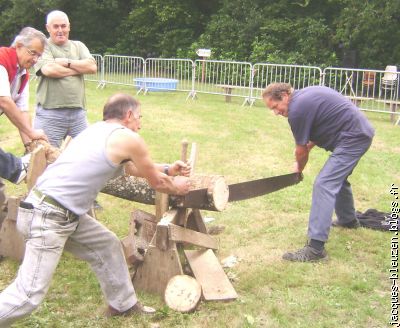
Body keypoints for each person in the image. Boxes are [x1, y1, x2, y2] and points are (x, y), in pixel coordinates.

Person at [0, 93, 191, 326]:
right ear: (128, 115)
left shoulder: (95, 131)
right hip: (50, 216)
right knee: (28, 296)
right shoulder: (128, 138)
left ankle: (123, 305)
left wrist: (169, 168)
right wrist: (176, 186)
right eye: (139, 117)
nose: (140, 124)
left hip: (50, 209)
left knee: (106, 244)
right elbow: (158, 184)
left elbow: (130, 168)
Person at [262, 83, 374, 262]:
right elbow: (317, 129)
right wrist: (305, 149)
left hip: (353, 138)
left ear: (284, 95)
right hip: (357, 133)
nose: (276, 112)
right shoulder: (304, 97)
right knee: (338, 179)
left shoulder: (297, 109)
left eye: (275, 107)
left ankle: (315, 250)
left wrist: (298, 169)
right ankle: (348, 220)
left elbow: (301, 151)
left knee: (325, 184)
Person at [0, 27, 48, 223]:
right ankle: (17, 168)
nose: (35, 58)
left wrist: (31, 146)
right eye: (33, 52)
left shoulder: (23, 74)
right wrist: (31, 132)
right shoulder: (2, 61)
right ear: (19, 46)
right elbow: (4, 101)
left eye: (39, 55)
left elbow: (22, 111)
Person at [34, 10, 97, 147]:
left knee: (86, 155)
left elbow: (92, 67)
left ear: (69, 27)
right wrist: (79, 70)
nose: (60, 30)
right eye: (56, 26)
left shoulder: (79, 46)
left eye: (63, 26)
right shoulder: (43, 46)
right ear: (48, 28)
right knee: (45, 158)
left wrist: (67, 62)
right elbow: (49, 70)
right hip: (50, 114)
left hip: (78, 115)